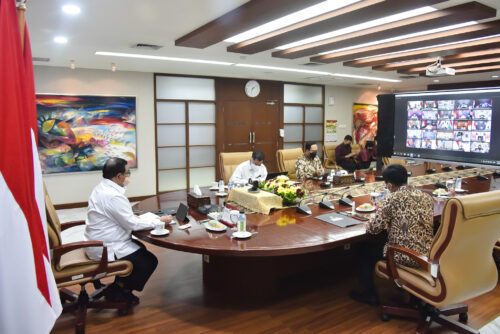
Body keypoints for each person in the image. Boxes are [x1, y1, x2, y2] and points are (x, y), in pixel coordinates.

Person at [84, 157, 173, 304]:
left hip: (99, 240)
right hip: (106, 247)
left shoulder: (102, 187)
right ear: (119, 176)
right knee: (148, 261)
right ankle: (120, 291)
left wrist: (139, 218)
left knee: (140, 248)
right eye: (127, 173)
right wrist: (159, 220)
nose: (128, 176)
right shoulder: (113, 196)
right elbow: (132, 224)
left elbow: (124, 218)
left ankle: (119, 286)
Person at [349, 164, 434, 306]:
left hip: (405, 256)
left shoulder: (393, 199)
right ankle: (409, 292)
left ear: (389, 185)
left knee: (362, 249)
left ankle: (369, 294)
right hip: (426, 254)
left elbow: (373, 229)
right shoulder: (426, 197)